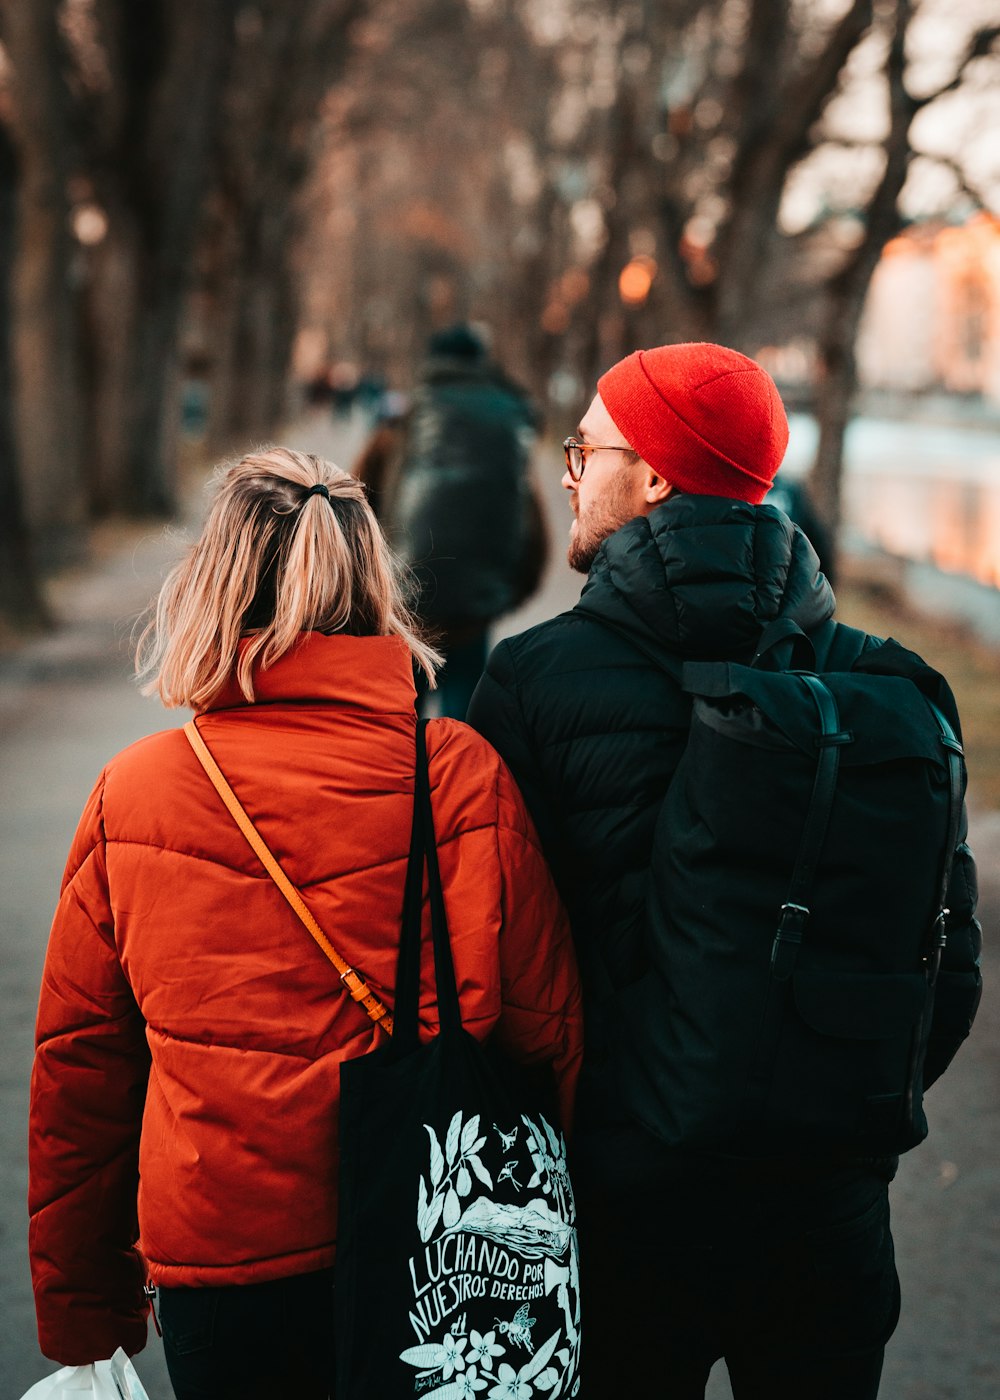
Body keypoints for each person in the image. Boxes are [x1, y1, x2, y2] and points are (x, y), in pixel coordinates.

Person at [467, 343, 982, 1398]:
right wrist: (824, 1114)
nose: (566, 470)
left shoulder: (530, 680)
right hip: (828, 1218)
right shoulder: (888, 683)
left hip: (620, 1212)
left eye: (585, 448)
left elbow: (490, 972)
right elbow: (950, 966)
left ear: (653, 474)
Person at [28, 448, 583, 1400]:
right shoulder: (455, 775)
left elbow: (84, 1072)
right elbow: (544, 1032)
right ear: (375, 585)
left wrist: (87, 1306)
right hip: (433, 1249)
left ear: (209, 586)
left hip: (220, 1257)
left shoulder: (141, 790)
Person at [355, 323, 547, 719]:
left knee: (401, 722)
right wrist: (510, 591)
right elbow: (532, 521)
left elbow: (358, 500)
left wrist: (366, 586)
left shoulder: (405, 422)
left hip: (407, 601)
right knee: (461, 723)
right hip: (475, 605)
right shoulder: (506, 428)